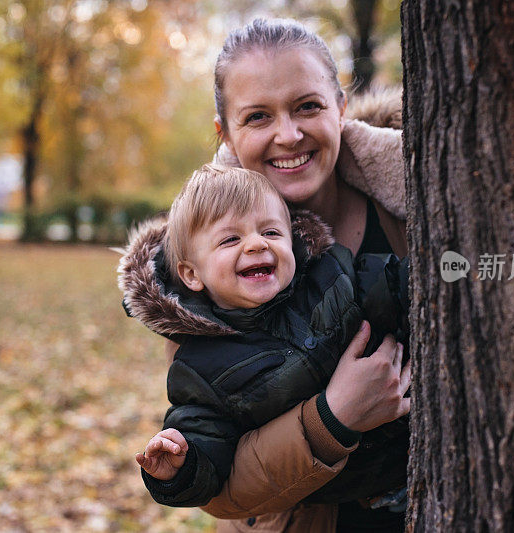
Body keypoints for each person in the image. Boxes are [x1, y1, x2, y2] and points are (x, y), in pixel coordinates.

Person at [142, 17, 409, 532]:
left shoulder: (415, 203)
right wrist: (334, 417)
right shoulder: (208, 274)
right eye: (258, 117)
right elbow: (223, 488)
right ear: (226, 134)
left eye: (307, 106)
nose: (288, 136)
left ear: (341, 108)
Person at [117, 163, 410, 511]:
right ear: (192, 274)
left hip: (413, 442)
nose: (256, 244)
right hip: (342, 495)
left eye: (271, 233)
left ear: (293, 238)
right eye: (230, 239)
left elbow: (390, 284)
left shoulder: (330, 277)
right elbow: (207, 442)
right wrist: (180, 468)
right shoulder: (201, 367)